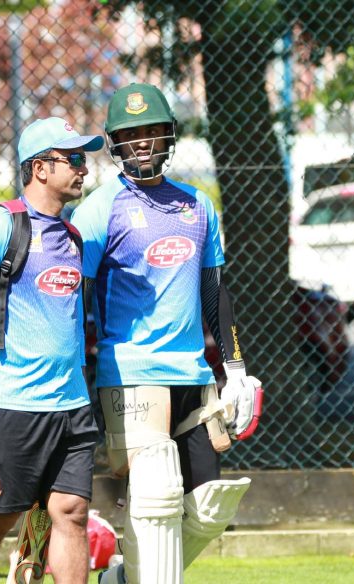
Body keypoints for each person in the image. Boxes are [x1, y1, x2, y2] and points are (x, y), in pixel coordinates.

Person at [70, 82, 263, 584]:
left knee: (208, 505)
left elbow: (215, 292)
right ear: (114, 143)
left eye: (153, 133)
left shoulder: (197, 206)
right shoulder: (98, 209)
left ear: (169, 137)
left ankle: (120, 580)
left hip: (194, 374)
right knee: (156, 497)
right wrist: (79, 376)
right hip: (130, 374)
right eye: (131, 136)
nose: (143, 145)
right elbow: (77, 301)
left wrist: (236, 369)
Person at [0, 117, 104, 584]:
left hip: (72, 405)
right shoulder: (1, 227)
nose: (83, 168)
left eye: (83, 157)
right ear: (40, 168)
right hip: (15, 404)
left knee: (69, 513)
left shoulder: (72, 236)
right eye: (72, 158)